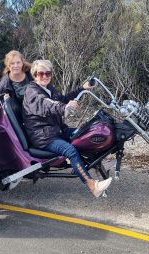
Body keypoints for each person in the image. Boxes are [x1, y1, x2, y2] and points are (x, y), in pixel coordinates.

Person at [22, 60, 112, 198]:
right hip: (43, 137)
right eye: (41, 73)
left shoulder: (48, 88)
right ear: (34, 75)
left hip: (56, 131)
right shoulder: (32, 92)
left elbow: (62, 98)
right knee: (70, 150)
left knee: (86, 134)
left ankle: (99, 170)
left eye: (48, 73)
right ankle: (93, 186)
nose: (45, 76)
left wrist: (82, 89)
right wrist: (65, 108)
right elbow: (48, 104)